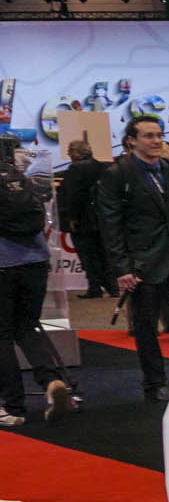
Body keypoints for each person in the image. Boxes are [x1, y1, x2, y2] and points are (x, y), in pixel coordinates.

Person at [93, 114, 169, 404]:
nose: (157, 141)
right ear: (132, 140)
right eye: (149, 136)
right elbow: (110, 224)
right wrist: (122, 267)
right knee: (146, 327)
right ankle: (155, 383)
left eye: (159, 135)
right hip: (143, 264)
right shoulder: (117, 174)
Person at [0, 138, 79, 426]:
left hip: (3, 266)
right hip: (35, 262)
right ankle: (50, 382)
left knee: (1, 335)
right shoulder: (22, 178)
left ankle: (14, 407)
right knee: (27, 327)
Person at [55, 138, 113, 297]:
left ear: (77, 153)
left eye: (69, 151)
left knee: (87, 255)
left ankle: (94, 288)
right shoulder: (103, 167)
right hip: (101, 219)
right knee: (103, 253)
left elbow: (74, 195)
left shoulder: (75, 169)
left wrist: (72, 217)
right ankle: (112, 287)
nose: (68, 155)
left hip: (82, 220)